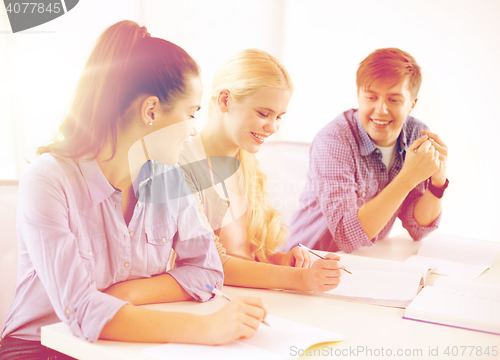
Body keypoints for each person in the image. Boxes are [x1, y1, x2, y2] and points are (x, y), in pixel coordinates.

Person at [0, 21, 268, 360]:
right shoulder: (49, 180)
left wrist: (123, 293)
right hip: (40, 348)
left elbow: (207, 271)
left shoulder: (169, 178)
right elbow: (80, 310)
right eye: (190, 113)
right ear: (151, 110)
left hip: (125, 344)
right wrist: (206, 328)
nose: (193, 130)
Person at [178, 49, 344, 292]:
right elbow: (212, 263)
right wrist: (300, 279)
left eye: (279, 116)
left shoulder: (245, 160)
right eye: (263, 113)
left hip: (249, 298)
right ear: (224, 101)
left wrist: (284, 261)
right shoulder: (183, 165)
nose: (273, 126)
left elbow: (249, 253)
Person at [285, 48, 448, 253]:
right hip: (307, 262)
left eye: (394, 100)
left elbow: (418, 229)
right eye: (371, 97)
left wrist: (438, 181)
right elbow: (346, 235)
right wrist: (408, 177)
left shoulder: (415, 134)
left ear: (411, 104)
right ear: (359, 96)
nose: (381, 109)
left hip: (363, 264)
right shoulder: (333, 141)